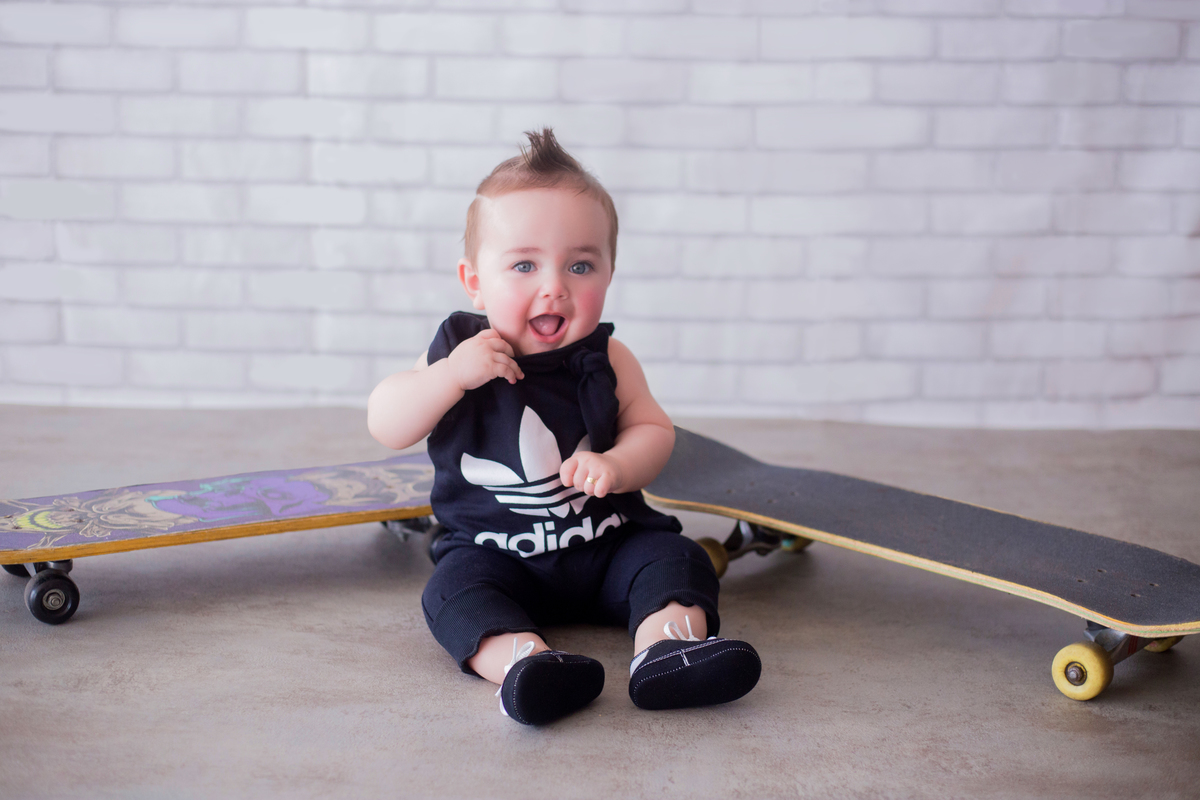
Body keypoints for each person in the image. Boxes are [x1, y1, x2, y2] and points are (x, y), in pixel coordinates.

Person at [367, 128, 760, 725]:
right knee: (451, 594)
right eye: (524, 264)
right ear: (475, 280)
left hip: (611, 547)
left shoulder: (609, 359)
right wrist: (448, 377)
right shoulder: (459, 351)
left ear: (609, 272)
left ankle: (667, 652)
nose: (554, 286)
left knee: (677, 559)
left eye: (580, 264)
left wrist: (619, 464)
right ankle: (526, 666)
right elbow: (387, 422)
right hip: (496, 555)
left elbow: (654, 431)